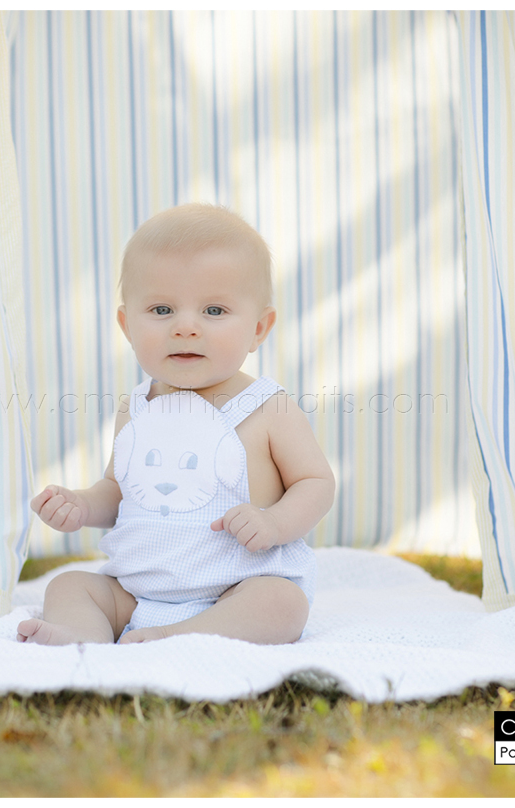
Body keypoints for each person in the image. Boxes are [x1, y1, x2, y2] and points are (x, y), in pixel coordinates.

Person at [17, 203, 335, 646]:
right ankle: (82, 636)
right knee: (68, 585)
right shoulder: (136, 408)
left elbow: (316, 482)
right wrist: (82, 505)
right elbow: (119, 490)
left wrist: (275, 523)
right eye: (162, 309)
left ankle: (178, 636)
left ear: (259, 328)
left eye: (215, 311)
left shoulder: (266, 407)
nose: (186, 327)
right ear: (127, 326)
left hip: (236, 586)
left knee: (281, 604)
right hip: (137, 591)